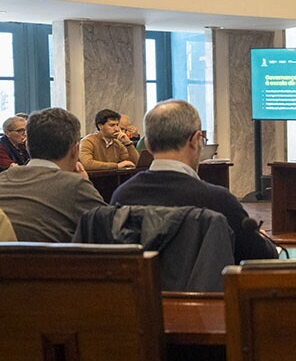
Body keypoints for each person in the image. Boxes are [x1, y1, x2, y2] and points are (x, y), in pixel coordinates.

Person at [111, 99, 278, 263]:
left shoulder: (122, 196)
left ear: (147, 145)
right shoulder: (218, 201)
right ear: (196, 139)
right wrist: (263, 240)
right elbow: (260, 257)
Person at [0, 108, 106, 242]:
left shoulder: (3, 179)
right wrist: (86, 184)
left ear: (27, 146)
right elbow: (111, 230)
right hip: (53, 256)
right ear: (75, 150)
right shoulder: (75, 186)